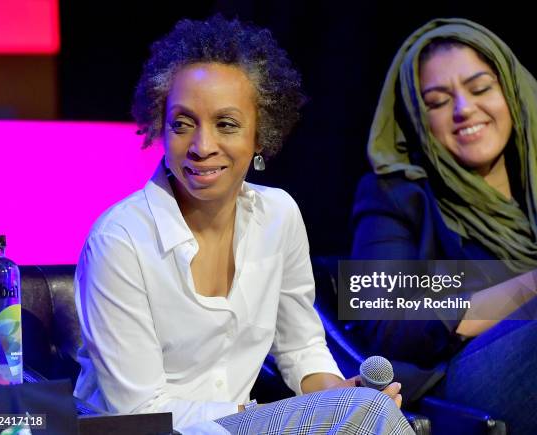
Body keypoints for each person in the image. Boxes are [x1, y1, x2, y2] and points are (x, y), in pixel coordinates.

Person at [73, 15, 414, 434]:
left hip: (241, 426)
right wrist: (297, 415)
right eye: (182, 123)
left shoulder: (279, 215)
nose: (201, 146)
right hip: (152, 431)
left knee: (368, 413)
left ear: (260, 137)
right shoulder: (119, 241)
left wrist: (339, 392)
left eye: (226, 124)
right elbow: (139, 411)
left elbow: (301, 347)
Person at [352, 18, 537, 434]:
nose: (464, 110)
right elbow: (384, 314)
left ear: (510, 92)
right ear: (418, 116)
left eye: (480, 89)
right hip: (469, 376)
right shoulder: (399, 195)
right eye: (439, 102)